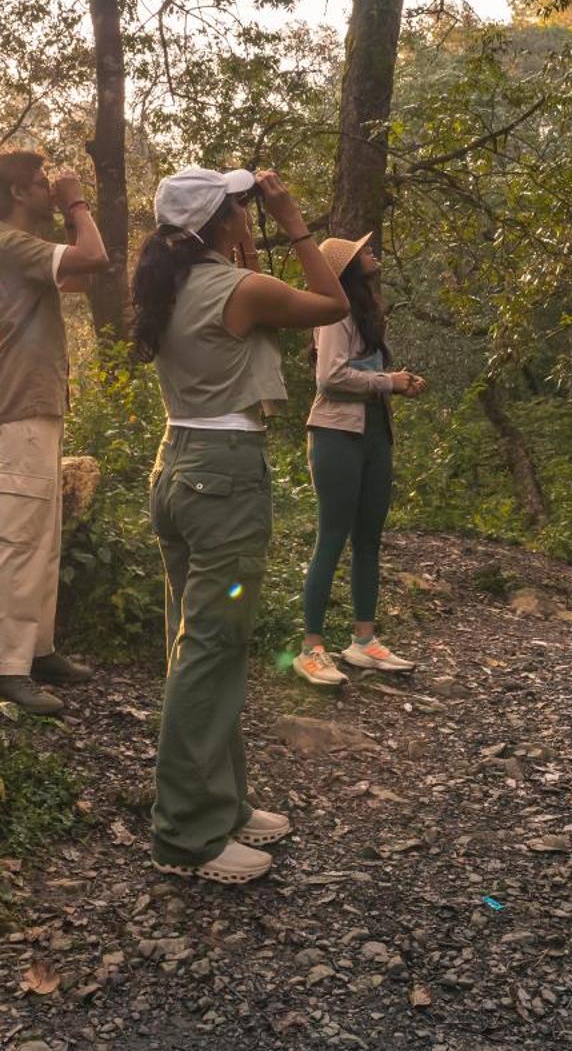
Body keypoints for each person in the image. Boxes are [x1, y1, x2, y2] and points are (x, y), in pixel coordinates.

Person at [132, 165, 349, 885]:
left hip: (179, 465)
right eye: (239, 209)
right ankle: (186, 834)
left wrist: (244, 233)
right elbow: (329, 300)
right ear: (222, 223)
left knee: (198, 645)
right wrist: (292, 221)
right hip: (223, 475)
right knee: (212, 649)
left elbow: (251, 302)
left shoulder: (170, 284)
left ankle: (219, 803)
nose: (247, 216)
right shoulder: (237, 290)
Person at [0, 150, 112, 715]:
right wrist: (76, 198)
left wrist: (67, 210)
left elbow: (80, 274)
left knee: (44, 533)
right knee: (18, 536)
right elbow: (96, 255)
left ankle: (37, 647)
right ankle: (5, 666)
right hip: (21, 401)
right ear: (16, 193)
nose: (47, 189)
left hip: (40, 399)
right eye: (38, 183)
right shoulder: (7, 243)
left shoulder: (22, 250)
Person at [292, 234, 427, 686]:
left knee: (369, 538)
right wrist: (388, 382)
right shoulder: (336, 313)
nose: (374, 255)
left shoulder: (366, 313)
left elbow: (362, 375)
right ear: (349, 267)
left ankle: (363, 642)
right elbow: (329, 377)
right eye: (365, 252)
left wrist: (393, 384)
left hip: (372, 434)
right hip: (335, 434)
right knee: (332, 538)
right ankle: (311, 648)